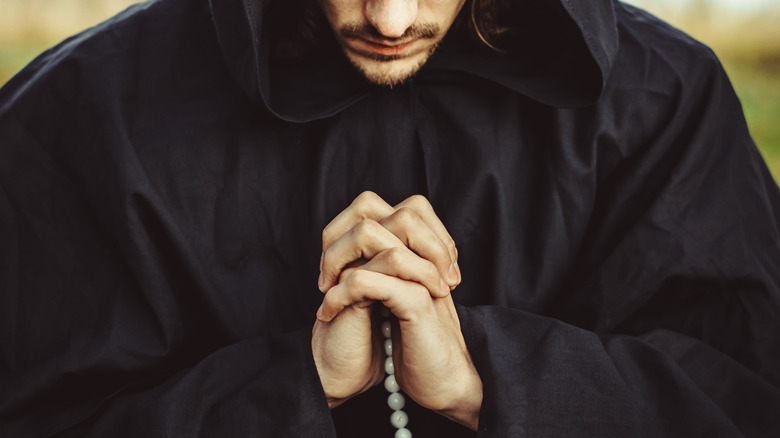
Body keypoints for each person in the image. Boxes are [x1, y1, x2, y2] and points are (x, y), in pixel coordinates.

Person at [1, 0, 779, 436]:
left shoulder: (661, 99)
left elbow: (744, 403)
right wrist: (294, 387)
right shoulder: (83, 114)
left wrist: (487, 379)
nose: (393, 18)